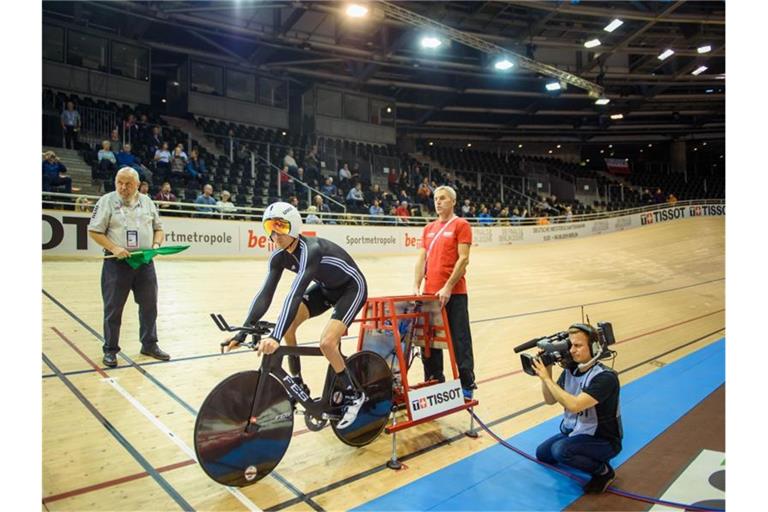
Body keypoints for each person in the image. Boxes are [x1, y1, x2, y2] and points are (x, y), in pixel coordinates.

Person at [222, 201, 368, 430]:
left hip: (351, 288)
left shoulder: (311, 249)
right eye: (270, 227)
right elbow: (265, 294)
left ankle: (354, 394)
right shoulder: (279, 257)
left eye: (280, 226)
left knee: (327, 343)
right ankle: (297, 382)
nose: (274, 233)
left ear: (293, 226)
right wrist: (242, 331)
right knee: (288, 327)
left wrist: (275, 337)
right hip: (326, 289)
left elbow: (295, 292)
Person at [87, 167, 170, 367]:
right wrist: (114, 247)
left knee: (149, 306)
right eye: (119, 183)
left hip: (144, 262)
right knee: (113, 309)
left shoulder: (148, 202)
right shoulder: (106, 201)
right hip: (116, 263)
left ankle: (149, 344)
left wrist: (156, 246)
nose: (123, 187)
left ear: (138, 184)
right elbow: (94, 231)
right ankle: (110, 349)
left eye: (128, 184)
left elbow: (159, 229)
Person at [533, 324, 623, 494]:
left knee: (560, 451)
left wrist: (547, 379)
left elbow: (574, 405)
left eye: (578, 345)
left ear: (594, 347)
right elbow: (550, 399)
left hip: (603, 440)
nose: (572, 350)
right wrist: (547, 373)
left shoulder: (605, 377)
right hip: (577, 431)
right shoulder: (571, 370)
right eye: (571, 345)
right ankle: (578, 451)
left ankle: (603, 472)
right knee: (542, 454)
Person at [412, 186, 476, 399]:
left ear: (453, 202)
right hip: (430, 294)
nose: (438, 202)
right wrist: (416, 285)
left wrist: (448, 286)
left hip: (455, 293)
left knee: (460, 339)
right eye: (436, 199)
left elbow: (463, 259)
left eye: (443, 198)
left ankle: (467, 383)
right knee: (428, 340)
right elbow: (422, 259)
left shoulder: (461, 225)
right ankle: (434, 380)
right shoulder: (428, 228)